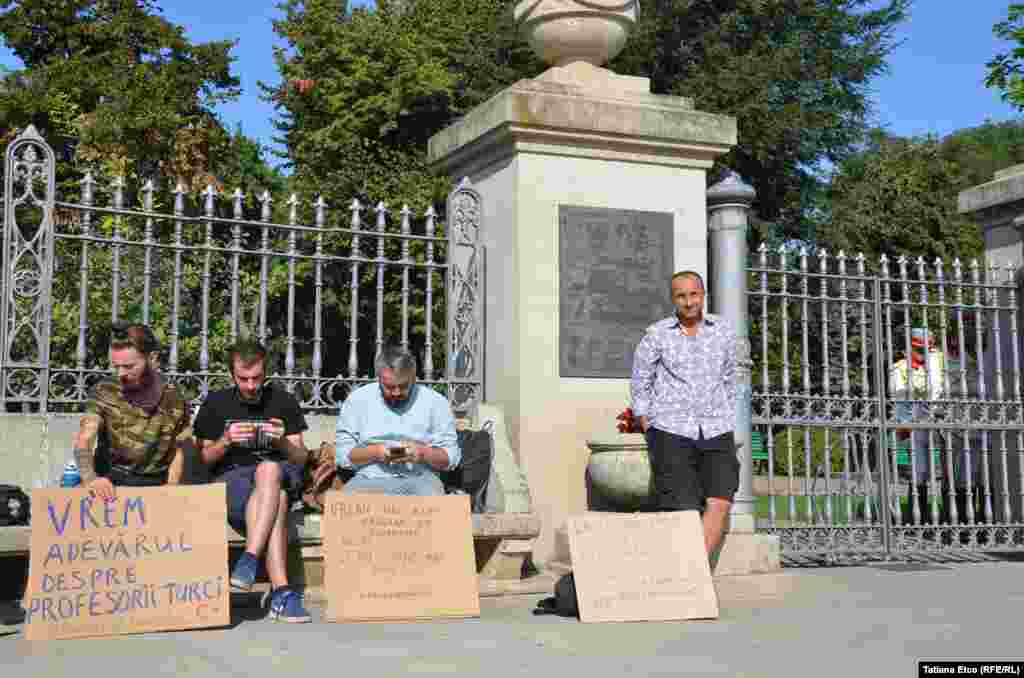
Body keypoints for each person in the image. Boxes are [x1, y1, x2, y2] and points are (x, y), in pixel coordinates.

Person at [192, 340, 312, 623]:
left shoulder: (283, 401)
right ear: (232, 375)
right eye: (243, 379)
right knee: (278, 499)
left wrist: (281, 440)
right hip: (233, 479)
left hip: (279, 472)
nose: (250, 385)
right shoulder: (216, 403)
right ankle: (282, 592)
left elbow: (301, 458)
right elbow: (203, 459)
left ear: (265, 372)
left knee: (269, 470)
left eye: (256, 378)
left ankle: (249, 558)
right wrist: (226, 440)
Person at [630, 271, 741, 557]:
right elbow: (641, 379)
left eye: (694, 294)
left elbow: (731, 375)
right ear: (673, 299)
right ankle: (689, 578)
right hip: (672, 430)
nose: (689, 301)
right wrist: (644, 417)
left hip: (716, 429)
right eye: (681, 296)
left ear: (703, 295)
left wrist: (727, 411)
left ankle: (693, 572)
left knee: (720, 501)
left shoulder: (723, 331)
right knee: (684, 508)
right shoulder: (657, 335)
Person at [72, 321, 192, 499]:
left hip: (156, 484)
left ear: (152, 359)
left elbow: (180, 446)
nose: (120, 373)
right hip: (109, 482)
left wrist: (172, 485)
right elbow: (85, 438)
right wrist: (91, 479)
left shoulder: (174, 395)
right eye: (116, 366)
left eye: (129, 366)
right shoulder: (104, 391)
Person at [335, 344, 460, 496]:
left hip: (421, 479)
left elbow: (451, 457)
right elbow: (342, 455)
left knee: (432, 509)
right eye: (389, 387)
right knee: (347, 508)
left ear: (414, 378)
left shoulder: (436, 402)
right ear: (379, 378)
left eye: (403, 386)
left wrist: (423, 453)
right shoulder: (358, 400)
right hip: (369, 478)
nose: (396, 392)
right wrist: (376, 452)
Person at [889, 328, 947, 524]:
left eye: (928, 349)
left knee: (952, 473)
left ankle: (948, 518)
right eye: (919, 350)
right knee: (919, 473)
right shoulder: (900, 369)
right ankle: (917, 520)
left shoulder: (938, 361)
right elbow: (900, 402)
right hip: (916, 427)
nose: (924, 353)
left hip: (943, 425)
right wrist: (904, 427)